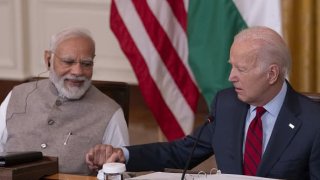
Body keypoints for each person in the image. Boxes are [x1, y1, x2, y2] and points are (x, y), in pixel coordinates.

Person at [85, 26, 320, 180]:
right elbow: (182, 152)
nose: (231, 77)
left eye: (241, 69)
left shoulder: (313, 123)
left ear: (272, 74)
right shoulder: (228, 104)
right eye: (231, 65)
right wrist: (124, 154)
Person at [0, 27, 129, 175]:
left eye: (86, 64)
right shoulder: (17, 96)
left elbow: (121, 173)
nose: (77, 72)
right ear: (48, 60)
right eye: (68, 61)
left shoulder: (110, 112)